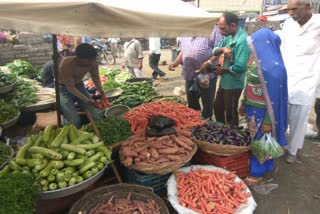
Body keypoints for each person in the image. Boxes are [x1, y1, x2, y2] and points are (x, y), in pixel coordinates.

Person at [240, 28, 288, 178]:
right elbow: (248, 83)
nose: (251, 47)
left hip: (263, 114)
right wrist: (243, 102)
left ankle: (257, 173)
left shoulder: (273, 69)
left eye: (254, 44)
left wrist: (269, 120)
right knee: (261, 140)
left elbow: (274, 99)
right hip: (252, 110)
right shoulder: (259, 63)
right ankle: (266, 165)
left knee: (260, 141)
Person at [280, 0, 320, 163]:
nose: (291, 13)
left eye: (294, 9)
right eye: (288, 10)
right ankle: (281, 145)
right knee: (282, 116)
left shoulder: (318, 24)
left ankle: (293, 151)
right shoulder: (289, 25)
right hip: (286, 77)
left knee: (299, 118)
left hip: (307, 80)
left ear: (308, 7)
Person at [200, 12, 250, 126]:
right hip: (224, 82)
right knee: (217, 108)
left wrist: (223, 70)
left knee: (230, 113)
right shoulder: (228, 37)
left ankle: (234, 138)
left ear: (233, 25)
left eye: (223, 28)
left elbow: (241, 67)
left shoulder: (242, 40)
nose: (220, 31)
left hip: (234, 84)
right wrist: (222, 49)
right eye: (219, 28)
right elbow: (214, 50)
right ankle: (221, 132)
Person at [168, 25, 223, 120]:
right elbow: (183, 50)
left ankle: (207, 119)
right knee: (191, 98)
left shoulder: (212, 29)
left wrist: (207, 63)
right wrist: (176, 62)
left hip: (206, 73)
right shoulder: (184, 31)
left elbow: (219, 50)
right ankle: (194, 119)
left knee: (207, 99)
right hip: (189, 73)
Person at [59, 43, 107, 128]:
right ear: (78, 58)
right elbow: (70, 88)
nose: (91, 62)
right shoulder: (66, 64)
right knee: (74, 121)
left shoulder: (93, 63)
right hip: (64, 89)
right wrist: (89, 101)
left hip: (79, 86)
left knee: (95, 116)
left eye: (92, 59)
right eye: (88, 60)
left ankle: (101, 133)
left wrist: (102, 93)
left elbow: (95, 78)